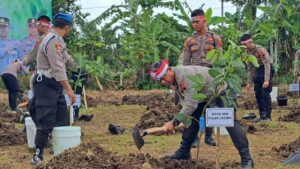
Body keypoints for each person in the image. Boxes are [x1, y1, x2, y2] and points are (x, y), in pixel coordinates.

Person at [149, 59, 254, 169]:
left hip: (220, 91)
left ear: (169, 70)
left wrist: (174, 121)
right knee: (191, 118)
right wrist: (181, 119)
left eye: (163, 77)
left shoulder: (185, 75)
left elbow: (190, 104)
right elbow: (186, 103)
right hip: (202, 95)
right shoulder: (173, 80)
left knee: (230, 122)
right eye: (159, 80)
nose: (162, 82)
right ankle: (184, 152)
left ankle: (247, 159)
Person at [31, 13, 76, 165]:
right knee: (46, 118)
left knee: (62, 116)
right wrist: (69, 90)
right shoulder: (52, 41)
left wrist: (78, 67)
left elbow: (66, 58)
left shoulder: (57, 40)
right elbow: (58, 69)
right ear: (67, 27)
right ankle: (38, 153)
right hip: (46, 84)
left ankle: (62, 150)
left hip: (54, 85)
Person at [181, 9, 223, 147]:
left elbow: (220, 60)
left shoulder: (215, 39)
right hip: (195, 78)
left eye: (197, 22)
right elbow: (185, 63)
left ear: (204, 20)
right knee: (194, 107)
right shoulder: (189, 41)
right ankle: (194, 138)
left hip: (211, 77)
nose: (194, 24)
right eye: (192, 22)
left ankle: (209, 136)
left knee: (211, 105)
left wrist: (221, 78)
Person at [23, 15, 51, 125]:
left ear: (42, 26)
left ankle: (42, 129)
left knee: (35, 107)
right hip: (51, 77)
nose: (36, 29)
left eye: (37, 26)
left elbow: (30, 57)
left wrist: (22, 62)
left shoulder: (44, 39)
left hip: (44, 79)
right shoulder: (54, 37)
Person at [240, 34, 274, 122]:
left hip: (267, 69)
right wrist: (249, 82)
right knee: (258, 93)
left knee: (265, 93)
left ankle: (268, 116)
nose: (244, 47)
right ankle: (262, 115)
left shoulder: (260, 49)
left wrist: (266, 80)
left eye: (245, 45)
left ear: (250, 42)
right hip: (258, 70)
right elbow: (250, 68)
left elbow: (267, 65)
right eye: (242, 45)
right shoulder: (247, 53)